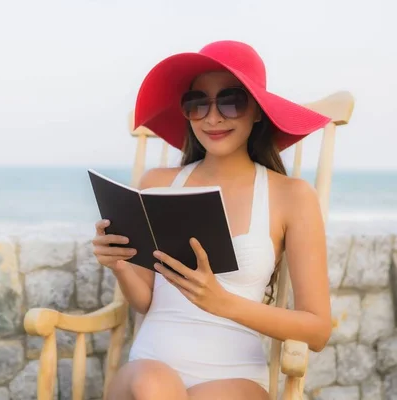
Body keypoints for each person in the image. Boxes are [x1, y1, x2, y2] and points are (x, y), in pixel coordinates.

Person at [91, 40, 333, 400]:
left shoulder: (291, 196)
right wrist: (121, 265)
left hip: (234, 377)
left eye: (231, 101)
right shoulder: (157, 183)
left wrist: (224, 303)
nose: (213, 117)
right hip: (153, 366)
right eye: (197, 102)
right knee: (152, 386)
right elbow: (146, 301)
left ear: (257, 111)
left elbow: (317, 330)